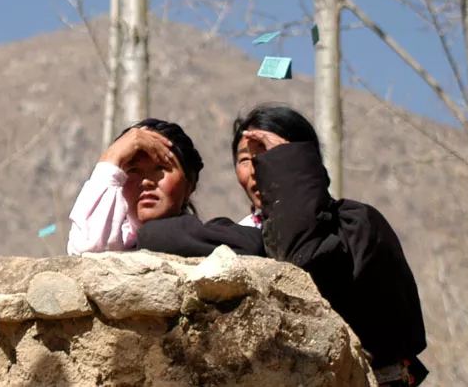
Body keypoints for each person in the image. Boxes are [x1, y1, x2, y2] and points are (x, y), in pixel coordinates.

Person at [137, 103, 428, 387]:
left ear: (302, 162)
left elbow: (300, 257)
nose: (257, 170)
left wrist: (286, 168)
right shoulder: (241, 234)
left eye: (270, 155)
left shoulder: (355, 225)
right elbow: (159, 237)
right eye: (245, 159)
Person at [66, 119, 262, 256]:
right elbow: (88, 253)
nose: (146, 182)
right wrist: (112, 158)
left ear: (189, 184)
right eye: (133, 170)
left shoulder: (216, 239)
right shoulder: (119, 244)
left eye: (160, 169)